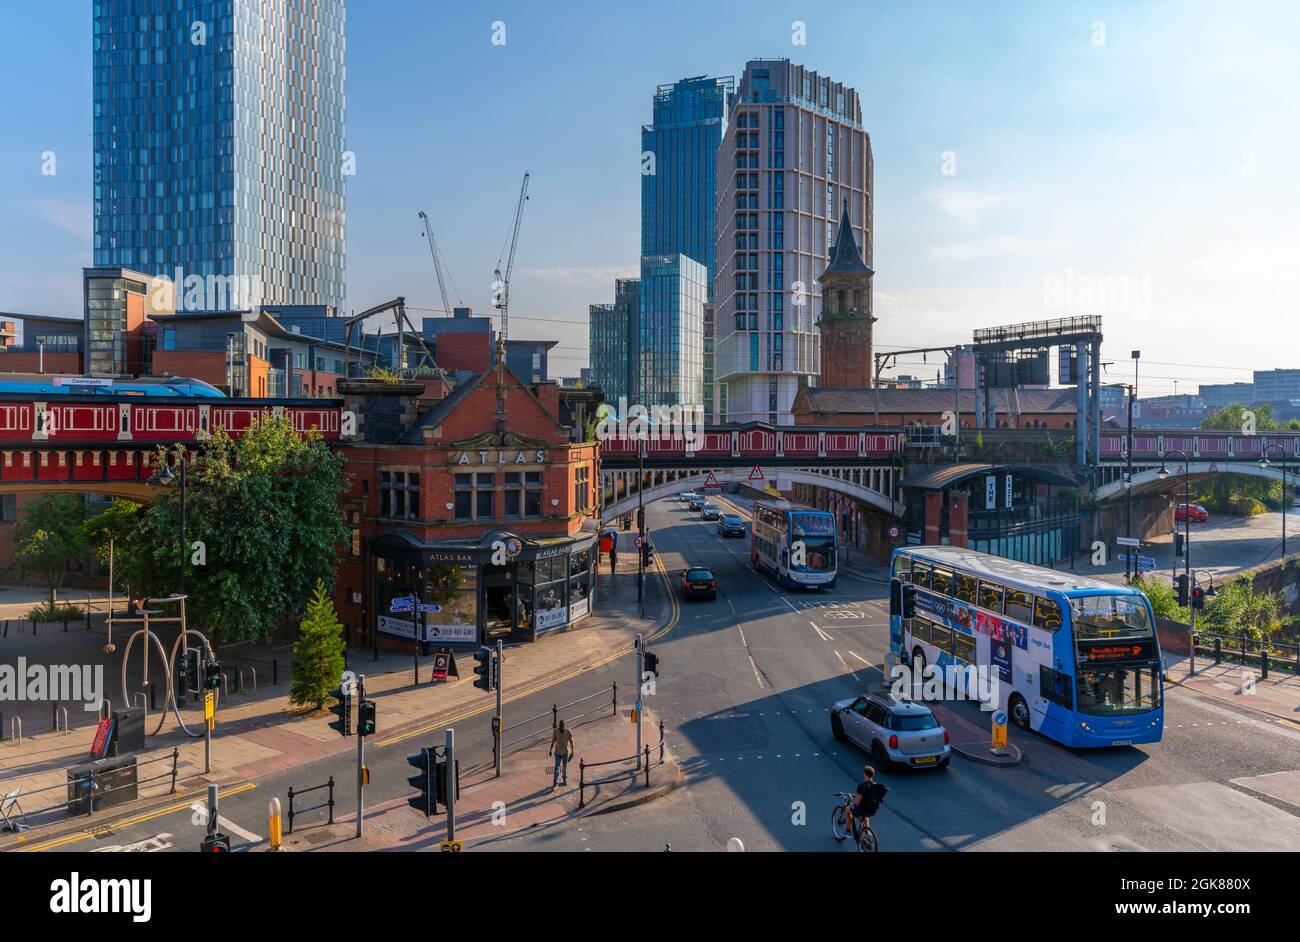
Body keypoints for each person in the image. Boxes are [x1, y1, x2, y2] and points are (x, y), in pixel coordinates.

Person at [846, 765, 887, 836]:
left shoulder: (862, 786)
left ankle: (848, 831)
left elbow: (857, 803)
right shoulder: (876, 786)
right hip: (871, 810)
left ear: (864, 774)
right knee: (865, 815)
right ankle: (867, 833)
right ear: (872, 775)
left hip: (862, 809)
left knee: (847, 809)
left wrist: (853, 801)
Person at [549, 720, 574, 788]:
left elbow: (571, 742)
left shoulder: (568, 732)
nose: (561, 727)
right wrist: (550, 750)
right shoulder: (556, 731)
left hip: (565, 752)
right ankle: (555, 782)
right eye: (560, 726)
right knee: (557, 767)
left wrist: (572, 752)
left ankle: (564, 778)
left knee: (564, 767)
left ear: (564, 725)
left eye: (562, 726)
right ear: (559, 725)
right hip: (557, 752)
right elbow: (553, 741)